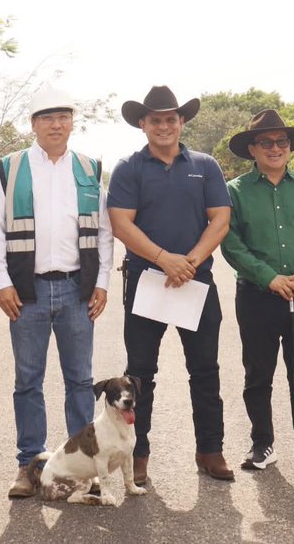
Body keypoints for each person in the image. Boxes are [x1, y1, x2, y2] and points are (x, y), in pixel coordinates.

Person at [0, 86, 115, 498]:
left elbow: (106, 231)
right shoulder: (10, 168)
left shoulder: (89, 168)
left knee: (81, 380)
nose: (56, 124)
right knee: (28, 380)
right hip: (28, 291)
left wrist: (102, 282)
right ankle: (30, 464)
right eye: (46, 117)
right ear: (34, 124)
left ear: (72, 122)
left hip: (77, 288)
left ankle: (82, 468)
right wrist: (2, 282)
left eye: (63, 117)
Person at [107, 85, 234, 485]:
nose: (164, 125)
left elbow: (220, 219)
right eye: (155, 119)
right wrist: (165, 260)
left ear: (181, 122)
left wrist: (190, 263)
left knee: (205, 370)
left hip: (197, 282)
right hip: (147, 282)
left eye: (171, 118)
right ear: (143, 124)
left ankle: (210, 450)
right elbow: (121, 223)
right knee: (140, 375)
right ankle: (137, 455)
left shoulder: (205, 165)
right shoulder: (129, 168)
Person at [221, 110, 294, 471]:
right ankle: (262, 443)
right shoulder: (235, 191)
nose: (275, 148)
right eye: (267, 143)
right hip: (257, 295)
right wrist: (268, 277)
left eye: (282, 142)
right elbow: (231, 242)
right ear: (253, 149)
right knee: (258, 372)